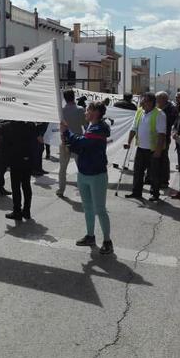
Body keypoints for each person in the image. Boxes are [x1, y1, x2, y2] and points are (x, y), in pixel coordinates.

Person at [61, 102, 113, 255]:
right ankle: (90, 236)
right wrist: (68, 137)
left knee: (100, 210)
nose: (85, 112)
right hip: (83, 173)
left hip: (97, 175)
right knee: (88, 208)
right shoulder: (91, 127)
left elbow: (80, 143)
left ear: (96, 112)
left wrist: (67, 131)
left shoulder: (99, 129)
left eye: (88, 109)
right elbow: (78, 146)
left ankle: (107, 241)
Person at [124, 92, 166, 202]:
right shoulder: (139, 112)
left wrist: (158, 150)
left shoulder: (159, 114)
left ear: (152, 102)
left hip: (153, 149)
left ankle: (154, 193)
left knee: (153, 173)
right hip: (141, 147)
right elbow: (133, 128)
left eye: (145, 100)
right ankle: (136, 192)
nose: (142, 102)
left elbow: (162, 134)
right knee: (138, 171)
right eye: (142, 100)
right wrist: (129, 142)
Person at [1, 121, 37, 221]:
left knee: (16, 186)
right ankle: (26, 210)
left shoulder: (8, 126)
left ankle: (17, 211)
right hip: (28, 158)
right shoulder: (30, 125)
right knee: (26, 185)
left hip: (15, 159)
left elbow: (5, 145)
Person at [57, 89, 88, 197]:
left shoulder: (61, 111)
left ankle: (61, 190)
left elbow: (60, 127)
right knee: (81, 168)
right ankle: (83, 189)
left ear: (65, 98)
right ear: (74, 96)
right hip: (78, 141)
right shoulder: (81, 110)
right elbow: (86, 126)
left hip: (65, 141)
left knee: (62, 169)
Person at [156, 91, 178, 188]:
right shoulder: (157, 107)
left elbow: (170, 122)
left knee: (163, 158)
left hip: (164, 136)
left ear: (163, 99)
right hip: (154, 136)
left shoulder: (171, 109)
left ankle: (164, 180)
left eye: (158, 99)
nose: (156, 101)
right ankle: (154, 178)